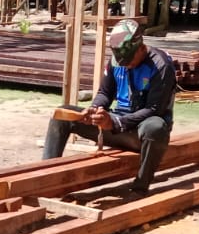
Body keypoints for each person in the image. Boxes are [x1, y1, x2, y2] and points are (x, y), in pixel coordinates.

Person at [42, 18, 175, 194]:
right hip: (116, 128)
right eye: (123, 63)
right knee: (62, 115)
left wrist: (115, 123)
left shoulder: (161, 66)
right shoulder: (116, 62)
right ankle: (45, 178)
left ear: (141, 48)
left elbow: (154, 109)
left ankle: (139, 188)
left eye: (130, 61)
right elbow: (105, 93)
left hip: (140, 134)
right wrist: (94, 109)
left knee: (155, 127)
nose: (126, 66)